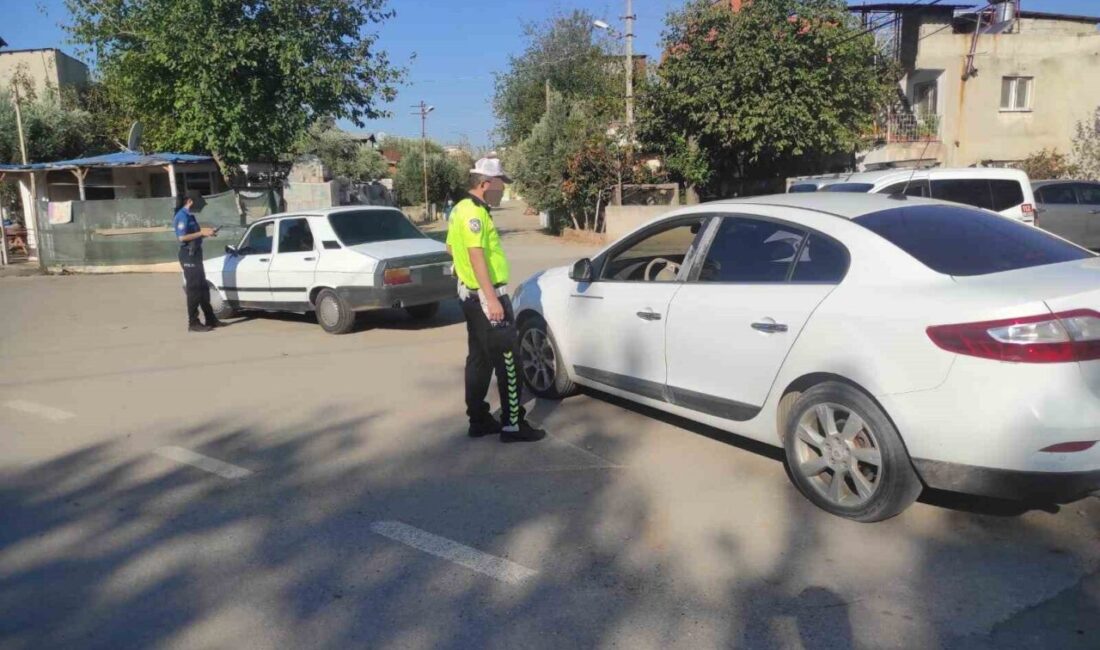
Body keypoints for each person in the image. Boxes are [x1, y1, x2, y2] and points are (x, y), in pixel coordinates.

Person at [447, 158, 545, 442]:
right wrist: (491, 299)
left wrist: (465, 276)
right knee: (509, 361)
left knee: (478, 360)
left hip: (470, 296)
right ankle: (513, 424)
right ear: (485, 184)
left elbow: (450, 248)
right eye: (501, 184)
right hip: (487, 297)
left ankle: (478, 420)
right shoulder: (474, 213)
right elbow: (476, 255)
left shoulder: (459, 209)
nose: (503, 190)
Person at [173, 196, 221, 332]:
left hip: (195, 254)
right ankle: (193, 323)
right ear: (189, 201)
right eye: (199, 204)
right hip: (188, 255)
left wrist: (207, 233)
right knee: (194, 289)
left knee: (203, 287)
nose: (200, 207)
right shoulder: (182, 216)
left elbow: (194, 235)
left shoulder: (190, 216)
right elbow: (181, 237)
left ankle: (210, 318)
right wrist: (201, 232)